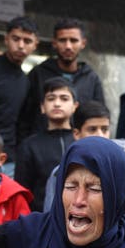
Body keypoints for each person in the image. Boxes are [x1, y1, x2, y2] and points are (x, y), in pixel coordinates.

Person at [18, 18, 104, 139]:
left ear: (83, 43)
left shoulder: (91, 78)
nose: (68, 46)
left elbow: (99, 117)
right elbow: (24, 118)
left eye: (73, 40)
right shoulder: (38, 74)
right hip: (41, 148)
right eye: (62, 40)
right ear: (54, 43)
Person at [0, 16, 38, 176]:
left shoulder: (25, 81)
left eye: (27, 41)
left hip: (7, 158)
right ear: (6, 39)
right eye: (16, 39)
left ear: (35, 45)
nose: (21, 45)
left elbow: (20, 123)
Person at [15, 77, 77, 211]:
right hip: (42, 219)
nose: (57, 103)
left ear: (75, 106)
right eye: (51, 98)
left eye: (64, 98)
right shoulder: (29, 146)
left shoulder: (82, 141)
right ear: (42, 107)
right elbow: (22, 193)